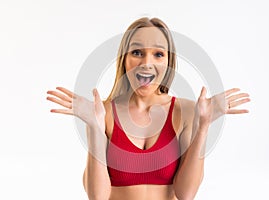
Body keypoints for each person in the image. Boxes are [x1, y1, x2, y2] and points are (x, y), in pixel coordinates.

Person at [46, 17, 250, 200]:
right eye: (136, 52)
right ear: (124, 60)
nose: (146, 63)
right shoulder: (103, 112)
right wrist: (94, 127)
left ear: (169, 62)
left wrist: (203, 126)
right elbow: (97, 196)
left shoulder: (186, 111)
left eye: (158, 54)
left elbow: (186, 194)